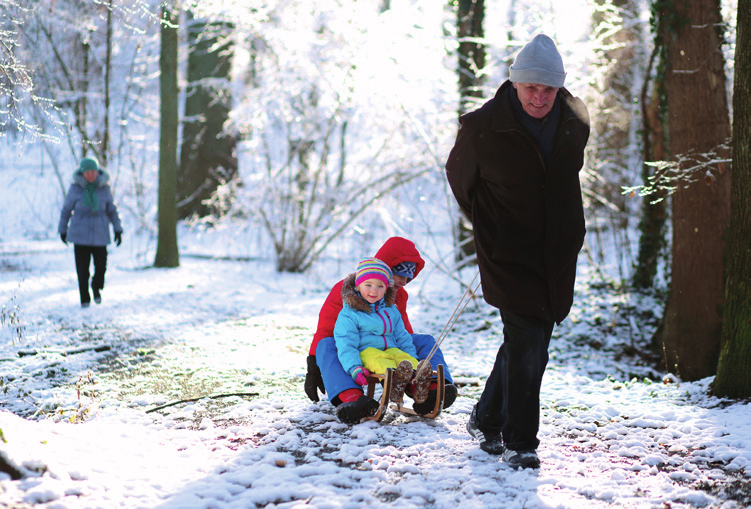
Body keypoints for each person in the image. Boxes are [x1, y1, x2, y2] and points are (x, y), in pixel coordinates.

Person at [445, 34, 590, 469]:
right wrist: (493, 224)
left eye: (549, 89)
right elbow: (460, 180)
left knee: (526, 338)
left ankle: (487, 418)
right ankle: (520, 440)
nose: (541, 97)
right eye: (532, 88)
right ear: (514, 84)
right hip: (507, 251)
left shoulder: (575, 119)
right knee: (530, 341)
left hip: (557, 251)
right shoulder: (482, 127)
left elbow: (568, 176)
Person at [304, 236, 458, 424]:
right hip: (359, 347)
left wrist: (409, 355)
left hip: (390, 345)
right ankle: (351, 398)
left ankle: (431, 389)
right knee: (326, 345)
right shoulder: (346, 290)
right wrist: (313, 364)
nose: (404, 281)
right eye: (400, 274)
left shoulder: (397, 294)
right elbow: (328, 326)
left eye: (409, 276)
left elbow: (403, 330)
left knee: (424, 340)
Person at [334, 258, 432, 406]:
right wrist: (354, 367)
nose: (374, 290)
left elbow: (402, 336)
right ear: (357, 287)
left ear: (386, 288)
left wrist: (412, 357)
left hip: (391, 349)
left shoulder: (391, 310)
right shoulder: (350, 313)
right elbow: (346, 343)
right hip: (366, 352)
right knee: (380, 360)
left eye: (380, 286)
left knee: (404, 359)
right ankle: (393, 384)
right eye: (368, 285)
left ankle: (416, 382)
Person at [58, 157, 124, 308]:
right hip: (79, 235)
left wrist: (118, 229)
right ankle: (85, 299)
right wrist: (62, 229)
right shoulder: (75, 189)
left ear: (97, 171)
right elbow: (66, 210)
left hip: (100, 235)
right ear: (82, 172)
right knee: (82, 270)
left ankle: (96, 286)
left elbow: (112, 211)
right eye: (87, 172)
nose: (91, 174)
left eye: (93, 171)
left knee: (101, 267)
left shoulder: (104, 188)